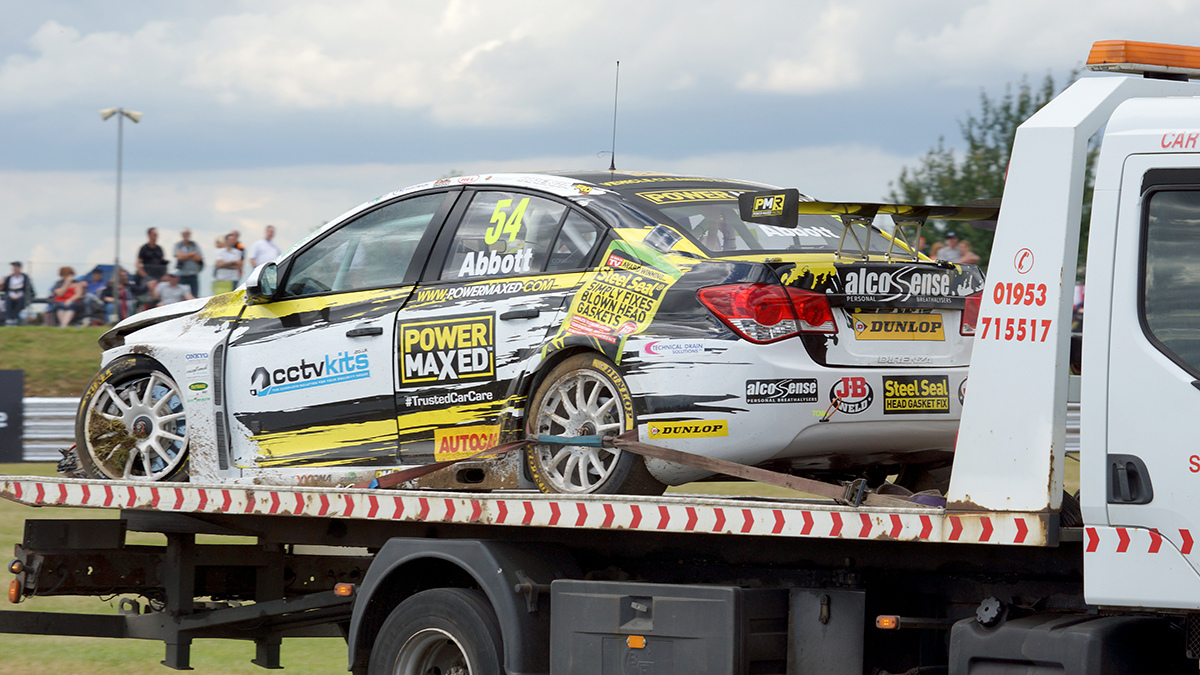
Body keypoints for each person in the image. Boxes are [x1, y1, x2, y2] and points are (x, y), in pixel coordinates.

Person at [2, 261, 34, 325]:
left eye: (16, 267)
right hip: (11, 293)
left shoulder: (24, 277)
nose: (15, 268)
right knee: (8, 300)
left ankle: (15, 318)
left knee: (20, 300)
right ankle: (9, 318)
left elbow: (28, 288)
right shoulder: (9, 277)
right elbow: (5, 288)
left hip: (20, 293)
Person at [174, 229, 204, 297]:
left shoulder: (194, 245)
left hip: (193, 274)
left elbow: (198, 258)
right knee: (181, 295)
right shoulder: (178, 245)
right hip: (182, 274)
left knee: (194, 295)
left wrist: (184, 255)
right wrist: (191, 255)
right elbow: (179, 257)